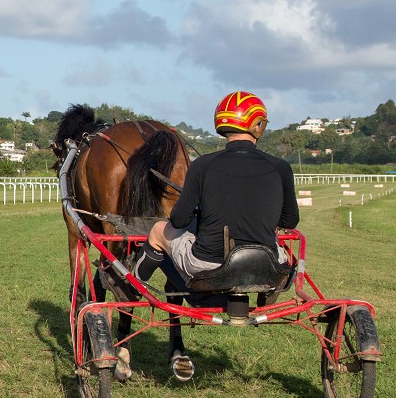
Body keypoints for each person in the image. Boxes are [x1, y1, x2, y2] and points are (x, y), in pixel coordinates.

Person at [127, 91, 299, 382]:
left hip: (209, 268)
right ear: (258, 126)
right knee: (277, 244)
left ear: (222, 125)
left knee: (158, 231)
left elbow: (179, 220)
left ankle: (133, 283)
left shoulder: (203, 165)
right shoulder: (280, 167)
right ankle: (264, 290)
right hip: (266, 267)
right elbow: (290, 221)